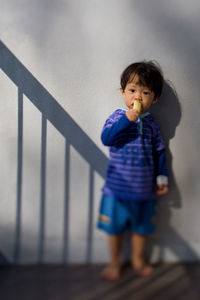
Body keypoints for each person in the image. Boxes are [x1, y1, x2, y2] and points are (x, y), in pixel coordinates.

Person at [97, 61, 169, 281]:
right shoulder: (116, 117)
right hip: (116, 190)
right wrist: (125, 121)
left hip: (144, 190)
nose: (138, 97)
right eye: (132, 90)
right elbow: (106, 139)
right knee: (114, 229)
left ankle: (138, 259)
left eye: (145, 92)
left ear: (154, 98)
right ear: (122, 93)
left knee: (141, 229)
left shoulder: (152, 125)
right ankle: (114, 261)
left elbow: (160, 153)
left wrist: (162, 179)